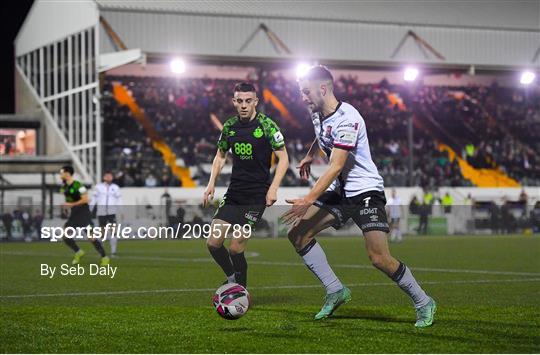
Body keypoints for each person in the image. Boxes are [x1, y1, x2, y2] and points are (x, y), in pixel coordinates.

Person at [282, 66, 435, 327]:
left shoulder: (348, 118)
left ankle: (423, 302)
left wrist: (308, 199)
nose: (303, 98)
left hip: (365, 191)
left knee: (379, 258)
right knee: (298, 235)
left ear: (323, 88)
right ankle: (335, 290)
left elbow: (336, 166)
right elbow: (322, 136)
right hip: (341, 191)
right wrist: (310, 154)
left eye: (306, 92)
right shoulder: (317, 112)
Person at [203, 82, 289, 287]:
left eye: (248, 101)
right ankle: (232, 277)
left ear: (255, 102)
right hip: (234, 194)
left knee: (235, 248)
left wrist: (273, 188)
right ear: (234, 102)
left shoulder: (267, 126)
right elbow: (220, 155)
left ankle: (240, 289)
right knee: (213, 243)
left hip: (256, 196)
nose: (243, 105)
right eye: (239, 101)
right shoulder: (230, 127)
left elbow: (284, 158)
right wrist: (211, 183)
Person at [59, 165, 110, 266]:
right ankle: (78, 252)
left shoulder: (79, 185)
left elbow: (86, 199)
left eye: (62, 172)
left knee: (91, 237)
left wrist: (70, 204)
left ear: (68, 173)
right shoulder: (64, 187)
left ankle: (104, 257)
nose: (60, 175)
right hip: (74, 213)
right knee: (65, 236)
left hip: (83, 213)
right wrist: (66, 208)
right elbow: (68, 201)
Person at [89, 171, 122, 257]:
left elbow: (119, 200)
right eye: (107, 176)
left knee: (113, 231)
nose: (108, 177)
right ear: (104, 177)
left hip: (112, 212)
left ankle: (113, 252)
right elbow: (94, 199)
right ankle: (101, 252)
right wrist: (90, 210)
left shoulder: (116, 187)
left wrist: (121, 211)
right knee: (102, 232)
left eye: (110, 176)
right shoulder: (98, 187)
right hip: (101, 212)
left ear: (112, 177)